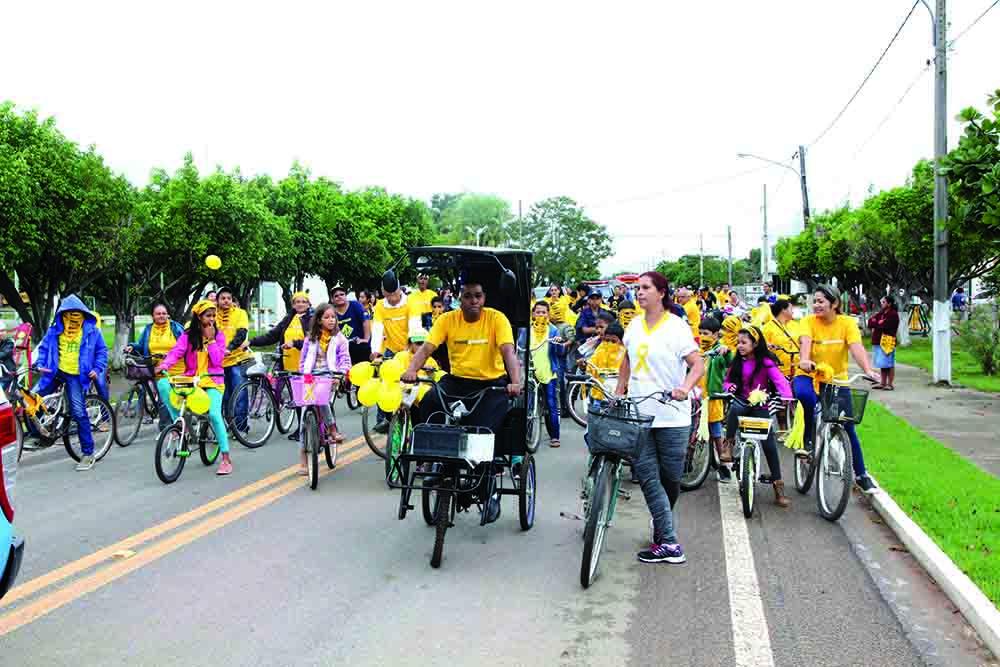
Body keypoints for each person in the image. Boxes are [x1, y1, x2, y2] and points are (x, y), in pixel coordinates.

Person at [403, 279, 522, 521]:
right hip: (457, 381)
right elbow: (426, 348)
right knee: (430, 401)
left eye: (478, 295)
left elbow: (508, 351)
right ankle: (435, 461)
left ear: (484, 298)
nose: (473, 301)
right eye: (468, 296)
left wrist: (515, 381)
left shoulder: (496, 318)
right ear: (460, 299)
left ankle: (488, 490)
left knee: (483, 431)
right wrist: (412, 370)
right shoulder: (447, 319)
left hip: (491, 383)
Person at [615, 272, 703, 565]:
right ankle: (670, 543)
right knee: (649, 477)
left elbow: (697, 365)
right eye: (637, 288)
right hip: (640, 414)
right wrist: (619, 390)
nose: (639, 293)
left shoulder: (677, 327)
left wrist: (684, 388)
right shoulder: (633, 325)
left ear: (661, 293)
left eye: (645, 288)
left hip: (673, 417)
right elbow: (627, 358)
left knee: (670, 480)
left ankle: (662, 524)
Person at [794, 285, 881, 494]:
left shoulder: (847, 323)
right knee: (805, 397)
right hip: (809, 374)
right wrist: (804, 360)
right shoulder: (808, 322)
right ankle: (807, 442)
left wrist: (868, 370)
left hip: (835, 379)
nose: (816, 305)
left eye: (821, 301)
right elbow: (805, 343)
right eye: (814, 301)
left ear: (834, 304)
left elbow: (856, 347)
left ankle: (861, 475)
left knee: (848, 426)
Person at [156, 299, 233, 475]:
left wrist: (211, 340)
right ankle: (178, 424)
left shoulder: (219, 336)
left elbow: (218, 361)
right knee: (163, 383)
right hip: (192, 380)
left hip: (213, 381)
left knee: (214, 414)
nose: (211, 319)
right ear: (199, 317)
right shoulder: (188, 336)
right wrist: (165, 365)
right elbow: (176, 352)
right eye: (208, 316)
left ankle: (226, 458)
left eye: (213, 315)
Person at [32, 295, 108, 471]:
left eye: (76, 314)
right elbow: (43, 349)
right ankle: (39, 436)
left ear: (83, 314)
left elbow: (102, 351)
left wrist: (97, 368)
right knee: (32, 400)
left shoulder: (93, 331)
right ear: (62, 314)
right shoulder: (55, 330)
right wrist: (39, 364)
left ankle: (88, 453)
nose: (72, 318)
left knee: (78, 412)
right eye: (68, 314)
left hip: (76, 376)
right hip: (54, 372)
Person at [723, 326, 794, 508]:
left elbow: (779, 380)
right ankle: (728, 445)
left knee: (769, 445)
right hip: (741, 402)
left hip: (760, 406)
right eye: (738, 342)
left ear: (755, 344)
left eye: (744, 342)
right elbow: (727, 381)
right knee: (734, 409)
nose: (740, 346)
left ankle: (778, 487)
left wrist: (787, 396)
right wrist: (729, 387)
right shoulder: (736, 362)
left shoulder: (766, 362)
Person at [297, 303, 351, 471]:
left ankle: (332, 428)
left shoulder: (340, 339)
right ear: (319, 320)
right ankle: (303, 459)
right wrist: (303, 374)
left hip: (330, 377)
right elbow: (302, 361)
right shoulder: (310, 339)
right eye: (326, 317)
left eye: (333, 317)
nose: (331, 320)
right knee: (304, 415)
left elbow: (345, 361)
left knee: (322, 401)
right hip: (310, 377)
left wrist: (339, 375)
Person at [370, 273, 422, 432]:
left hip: (409, 350)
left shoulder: (411, 302)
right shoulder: (380, 306)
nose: (392, 299)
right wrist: (375, 351)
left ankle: (415, 420)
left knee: (411, 385)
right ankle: (384, 419)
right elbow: (377, 330)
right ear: (383, 292)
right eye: (388, 295)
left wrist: (412, 352)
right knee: (384, 381)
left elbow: (414, 328)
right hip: (391, 350)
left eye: (395, 294)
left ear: (399, 289)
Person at [126, 303, 186, 430]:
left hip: (177, 370)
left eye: (164, 313)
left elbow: (186, 345)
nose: (161, 316)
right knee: (164, 400)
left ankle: (168, 428)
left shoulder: (176, 328)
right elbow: (141, 345)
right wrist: (132, 346)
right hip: (155, 370)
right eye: (158, 314)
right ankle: (169, 428)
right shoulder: (148, 329)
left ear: (168, 315)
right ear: (153, 316)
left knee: (170, 400)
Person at [518, 301, 563, 448]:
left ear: (548, 314)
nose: (541, 315)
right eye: (538, 312)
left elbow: (560, 352)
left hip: (548, 372)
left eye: (544, 312)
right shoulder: (527, 330)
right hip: (531, 372)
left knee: (551, 404)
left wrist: (558, 343)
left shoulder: (553, 330)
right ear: (533, 314)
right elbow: (520, 347)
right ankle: (528, 434)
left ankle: (555, 436)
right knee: (529, 403)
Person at [697, 317, 731, 482]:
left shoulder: (719, 351)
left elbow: (729, 361)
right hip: (696, 398)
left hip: (712, 399)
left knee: (716, 433)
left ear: (716, 335)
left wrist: (726, 351)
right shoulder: (695, 350)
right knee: (692, 430)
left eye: (706, 333)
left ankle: (724, 464)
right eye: (700, 333)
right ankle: (688, 462)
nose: (703, 337)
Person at [329, 286, 371, 365]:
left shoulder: (355, 305)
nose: (339, 297)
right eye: (336, 296)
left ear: (346, 296)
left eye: (342, 294)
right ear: (332, 299)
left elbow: (365, 321)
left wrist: (366, 339)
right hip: (343, 349)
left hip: (360, 346)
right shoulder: (331, 312)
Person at [868, 295, 900, 390]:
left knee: (889, 363)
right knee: (883, 364)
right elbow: (870, 322)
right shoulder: (881, 313)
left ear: (889, 304)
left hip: (887, 341)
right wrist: (878, 323)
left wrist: (877, 323)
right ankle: (882, 383)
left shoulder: (893, 314)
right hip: (878, 341)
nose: (881, 304)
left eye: (883, 302)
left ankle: (890, 384)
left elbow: (885, 326)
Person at [763, 299, 799, 378]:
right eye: (791, 309)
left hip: (797, 371)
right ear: (783, 310)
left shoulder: (796, 325)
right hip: (778, 372)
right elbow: (763, 348)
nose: (793, 311)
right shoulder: (767, 328)